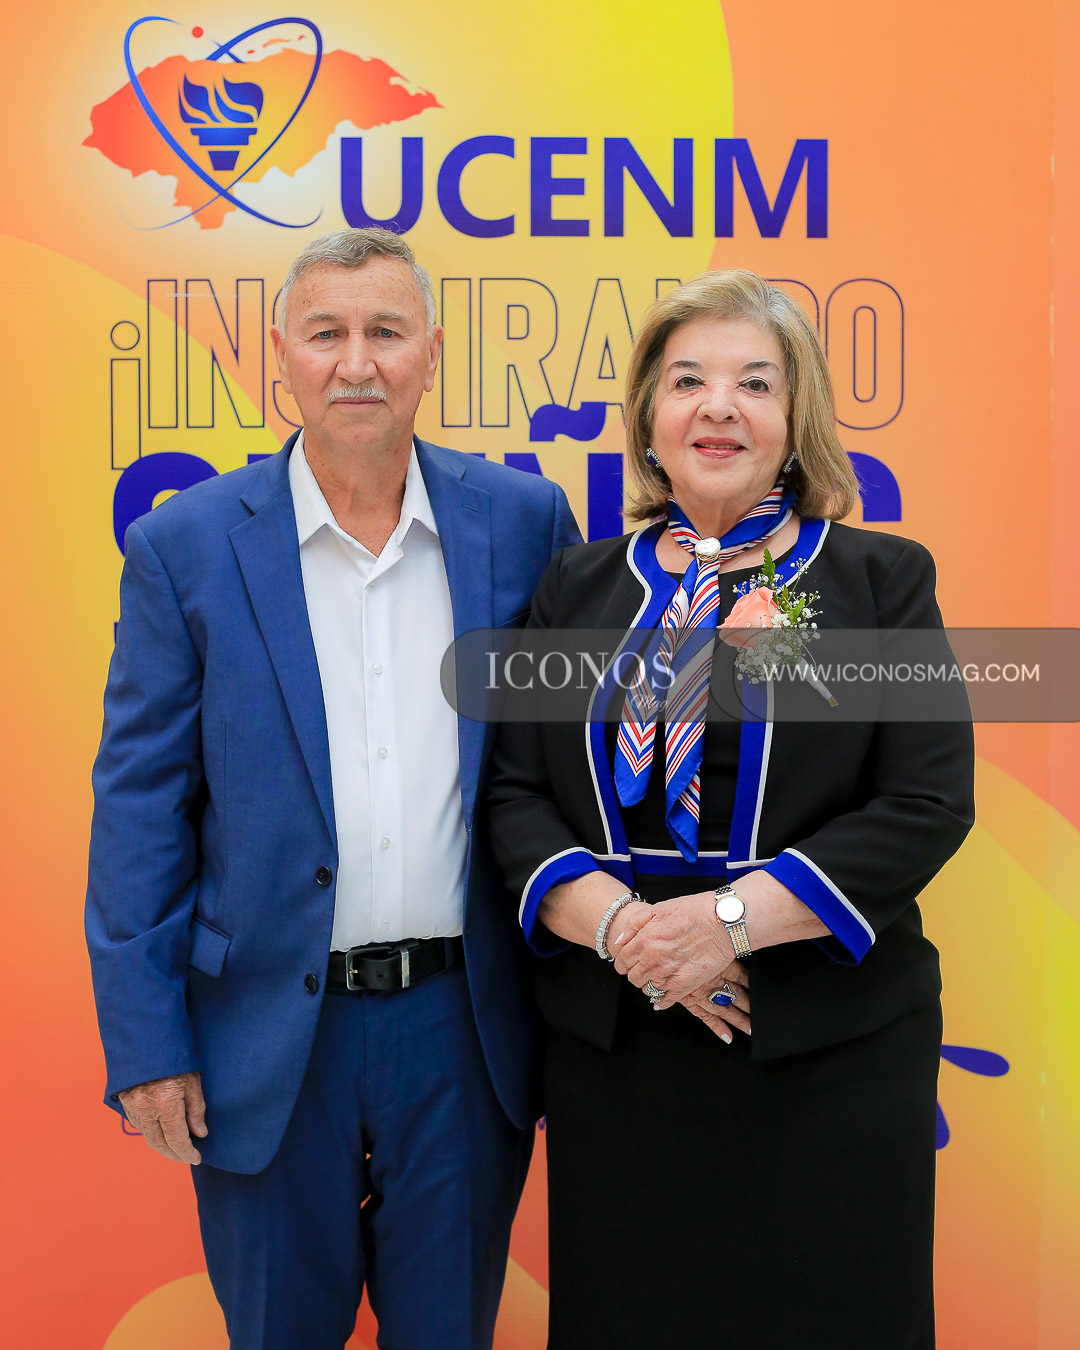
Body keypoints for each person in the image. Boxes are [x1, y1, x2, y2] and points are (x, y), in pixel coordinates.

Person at [85, 227, 580, 1350]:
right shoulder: (184, 548)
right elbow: (140, 809)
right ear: (282, 357)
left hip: (463, 1032)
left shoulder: (524, 522)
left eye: (386, 332)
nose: (357, 363)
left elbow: (575, 757)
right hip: (264, 1037)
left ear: (431, 354)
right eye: (326, 334)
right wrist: (147, 1045)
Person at [487, 270, 974, 1349]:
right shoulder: (575, 587)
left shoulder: (879, 581)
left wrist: (725, 926)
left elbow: (927, 798)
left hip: (826, 1047)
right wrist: (632, 936)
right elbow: (513, 795)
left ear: (796, 419)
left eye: (755, 382)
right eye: (688, 381)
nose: (719, 406)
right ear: (647, 418)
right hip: (623, 1049)